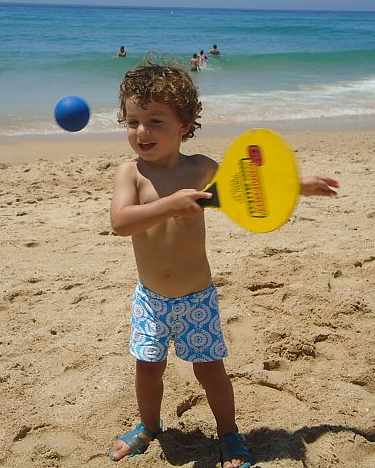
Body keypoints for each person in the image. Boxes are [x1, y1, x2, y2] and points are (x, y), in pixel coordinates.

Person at [108, 59, 339, 467]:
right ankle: (148, 427)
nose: (142, 132)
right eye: (133, 122)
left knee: (211, 373)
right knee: (148, 371)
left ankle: (230, 433)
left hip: (197, 298)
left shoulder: (200, 169)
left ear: (183, 125)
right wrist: (170, 206)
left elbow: (247, 187)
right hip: (151, 300)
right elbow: (121, 222)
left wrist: (297, 185)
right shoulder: (131, 174)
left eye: (155, 121)